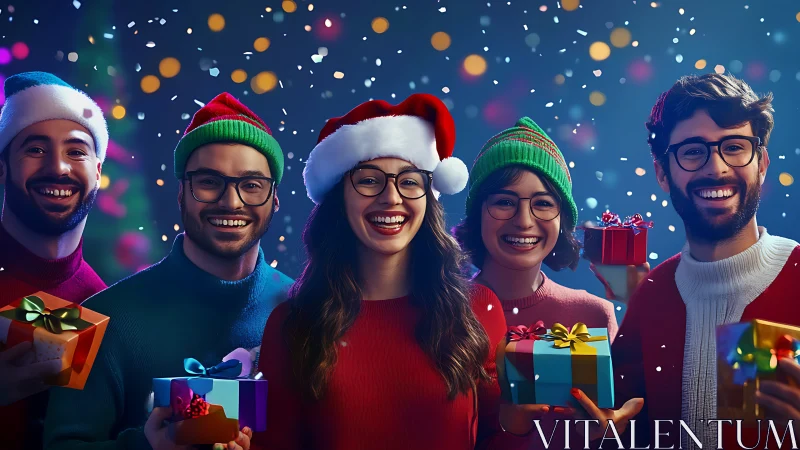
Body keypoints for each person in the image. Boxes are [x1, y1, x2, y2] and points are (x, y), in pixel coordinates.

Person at [255, 93, 540, 450]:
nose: (391, 197)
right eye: (369, 180)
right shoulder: (291, 324)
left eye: (408, 181)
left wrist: (518, 423)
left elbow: (498, 439)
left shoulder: (477, 310)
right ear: (340, 197)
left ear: (428, 196)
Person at [42, 93, 293, 450]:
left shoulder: (305, 310)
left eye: (251, 185)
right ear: (181, 194)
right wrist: (147, 446)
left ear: (275, 199)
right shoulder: (94, 321)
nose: (231, 201)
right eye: (209, 181)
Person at [612, 73, 800, 448]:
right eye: (694, 151)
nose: (716, 168)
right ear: (663, 173)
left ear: (761, 162)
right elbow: (618, 428)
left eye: (734, 147)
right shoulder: (650, 295)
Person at [454, 116, 650, 447]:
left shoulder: (595, 315)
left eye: (543, 204)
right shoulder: (442, 313)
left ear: (562, 220)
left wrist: (641, 304)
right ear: (478, 213)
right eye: (504, 202)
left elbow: (631, 419)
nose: (524, 221)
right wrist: (507, 426)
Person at [0, 71, 109, 450]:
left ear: (97, 172)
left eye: (76, 151)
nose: (58, 168)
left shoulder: (102, 302)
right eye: (35, 149)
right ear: (2, 166)